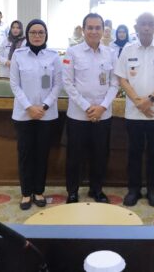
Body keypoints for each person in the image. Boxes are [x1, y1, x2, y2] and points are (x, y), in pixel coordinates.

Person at [115, 12, 154, 207]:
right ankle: (133, 189)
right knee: (134, 152)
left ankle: (153, 189)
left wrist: (150, 100)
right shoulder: (128, 49)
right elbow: (122, 78)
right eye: (143, 24)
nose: (147, 27)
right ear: (136, 27)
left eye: (150, 24)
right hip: (134, 112)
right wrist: (138, 102)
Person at [62, 13, 119, 204]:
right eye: (90, 28)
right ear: (83, 29)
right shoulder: (72, 52)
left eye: (97, 28)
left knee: (100, 155)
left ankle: (97, 190)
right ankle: (72, 191)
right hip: (78, 115)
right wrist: (87, 107)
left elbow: (115, 83)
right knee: (74, 156)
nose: (94, 31)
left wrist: (102, 107)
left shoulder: (111, 53)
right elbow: (67, 83)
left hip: (103, 115)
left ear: (103, 30)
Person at [9, 19, 62, 210]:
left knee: (42, 154)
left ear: (46, 35)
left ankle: (39, 191)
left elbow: (57, 84)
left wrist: (44, 106)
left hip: (46, 115)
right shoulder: (19, 55)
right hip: (24, 114)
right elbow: (14, 84)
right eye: (33, 32)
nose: (37, 36)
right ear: (28, 35)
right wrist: (29, 107)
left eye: (41, 32)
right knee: (25, 154)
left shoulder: (53, 56)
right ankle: (26, 193)